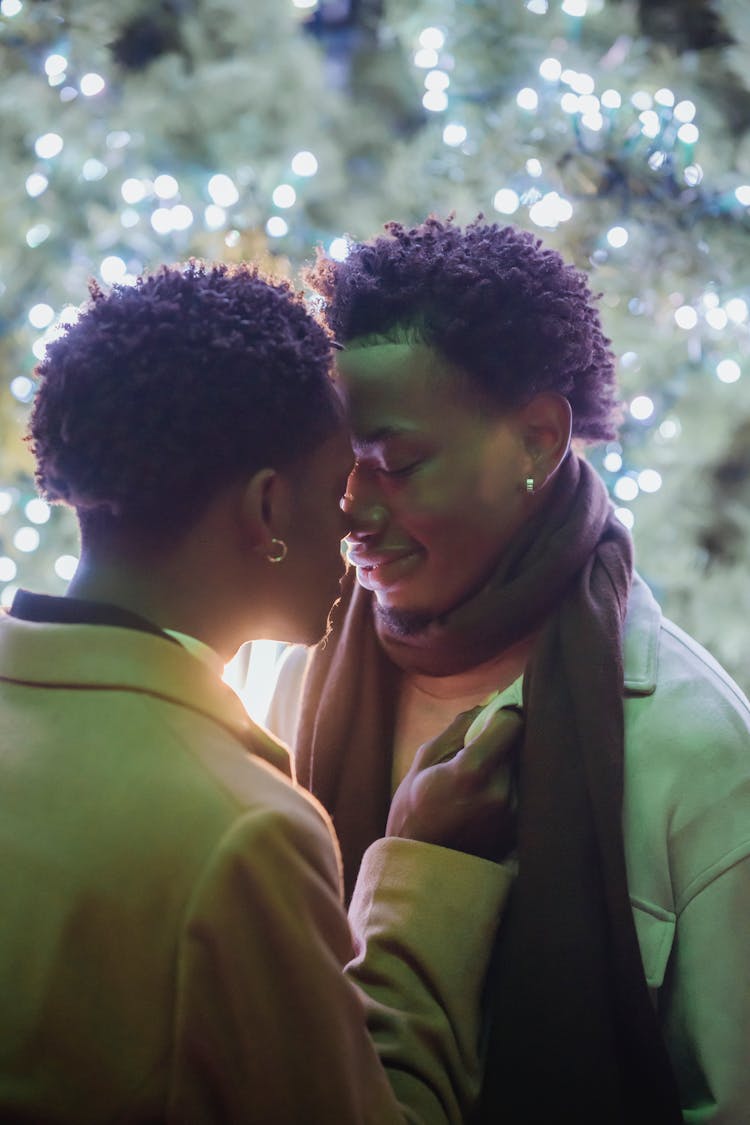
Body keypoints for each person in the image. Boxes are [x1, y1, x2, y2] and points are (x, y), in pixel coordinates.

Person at [0, 261, 522, 1123]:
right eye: (337, 488)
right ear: (268, 510)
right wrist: (428, 874)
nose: (358, 523)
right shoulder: (238, 833)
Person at [266, 217, 750, 1123]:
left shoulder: (696, 750)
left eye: (396, 464)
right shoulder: (288, 682)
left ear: (535, 438)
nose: (353, 512)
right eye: (339, 469)